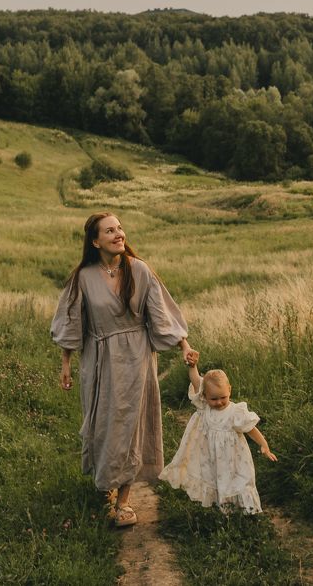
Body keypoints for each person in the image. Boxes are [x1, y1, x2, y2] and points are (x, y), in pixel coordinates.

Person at [51, 212, 199, 528]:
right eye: (109, 230)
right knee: (105, 424)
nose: (119, 234)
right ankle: (107, 482)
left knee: (132, 425)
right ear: (95, 241)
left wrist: (184, 346)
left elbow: (162, 314)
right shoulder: (83, 278)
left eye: (119, 228)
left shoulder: (139, 270)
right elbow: (72, 323)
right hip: (99, 359)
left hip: (137, 359)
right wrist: (66, 364)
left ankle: (124, 502)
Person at [159, 362, 277, 514]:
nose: (219, 402)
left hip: (234, 459)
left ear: (229, 390)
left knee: (239, 480)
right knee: (215, 480)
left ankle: (244, 512)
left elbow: (251, 429)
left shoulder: (235, 412)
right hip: (211, 457)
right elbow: (196, 381)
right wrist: (192, 366)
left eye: (223, 397)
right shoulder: (204, 408)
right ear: (204, 396)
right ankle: (220, 510)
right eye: (213, 399)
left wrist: (264, 445)